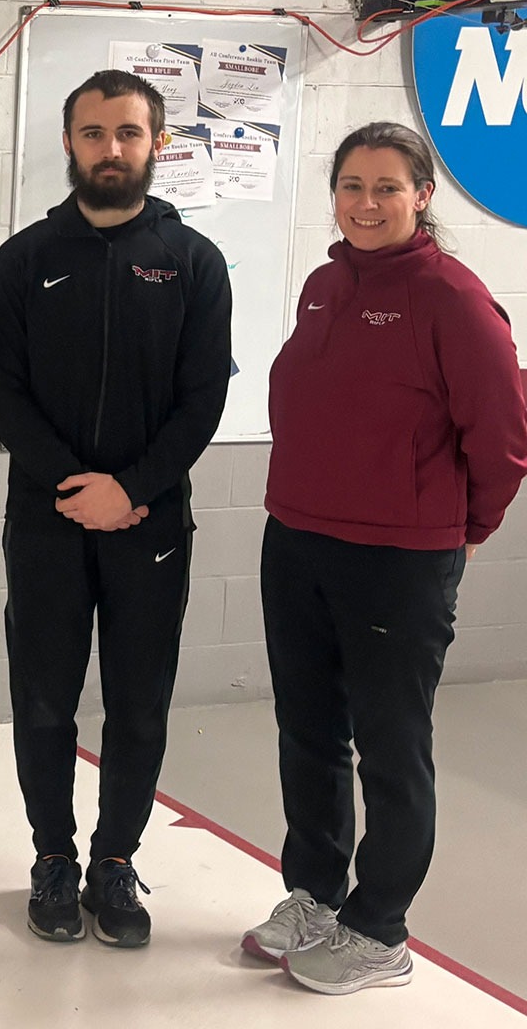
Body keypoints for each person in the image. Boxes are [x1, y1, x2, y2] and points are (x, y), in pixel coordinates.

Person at [242, 122, 527, 994]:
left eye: (387, 188)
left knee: (391, 747)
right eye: (352, 187)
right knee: (309, 732)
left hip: (398, 558)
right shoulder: (328, 284)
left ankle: (380, 929)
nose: (366, 204)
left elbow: (506, 437)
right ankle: (316, 894)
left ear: (422, 195)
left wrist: (457, 535)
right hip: (297, 537)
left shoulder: (453, 298)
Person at [0, 69, 232, 949]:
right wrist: (73, 488)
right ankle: (53, 858)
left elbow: (203, 400)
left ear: (156, 142)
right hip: (46, 521)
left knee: (139, 703)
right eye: (94, 133)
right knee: (44, 700)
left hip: (151, 525)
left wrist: (134, 490)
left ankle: (116, 860)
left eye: (128, 132)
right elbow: (2, 392)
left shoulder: (196, 262)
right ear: (69, 144)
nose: (111, 149)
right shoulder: (24, 260)